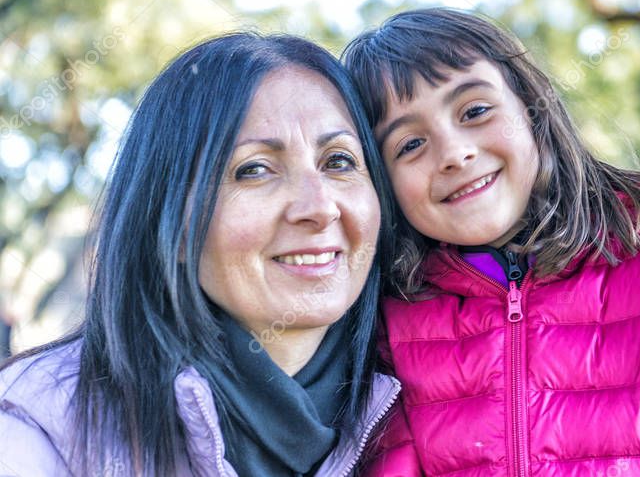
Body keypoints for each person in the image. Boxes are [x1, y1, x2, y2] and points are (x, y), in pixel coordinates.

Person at [344, 8, 640, 476]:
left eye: (474, 110)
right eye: (409, 144)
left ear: (533, 111)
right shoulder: (382, 325)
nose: (453, 152)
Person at [0, 33, 400, 476]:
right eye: (254, 170)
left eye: (339, 161)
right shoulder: (36, 430)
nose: (320, 207)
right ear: (172, 222)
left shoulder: (436, 405)